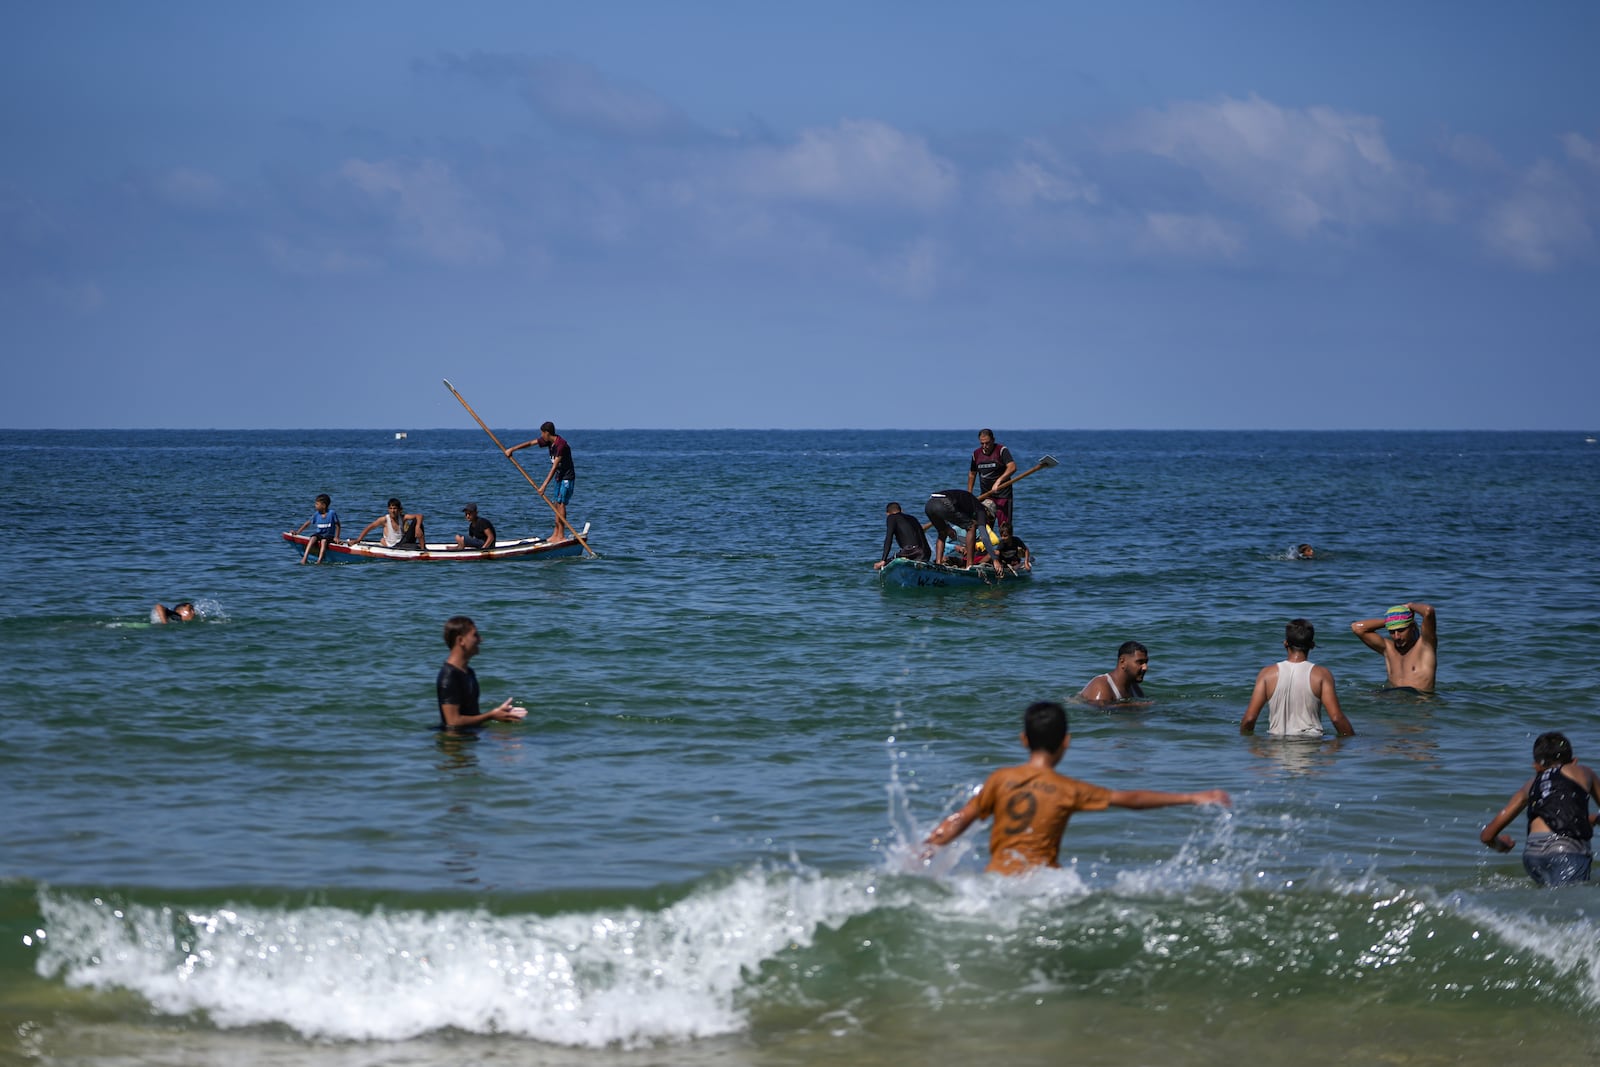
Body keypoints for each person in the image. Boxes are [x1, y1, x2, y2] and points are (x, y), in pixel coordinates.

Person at [920, 701, 1230, 875]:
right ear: (1066, 743)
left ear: (1024, 740)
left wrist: (927, 847)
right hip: (1040, 886)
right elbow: (1130, 799)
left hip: (994, 882)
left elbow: (959, 820)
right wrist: (1192, 796)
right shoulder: (1068, 789)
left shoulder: (999, 780)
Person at [1480, 731, 1600, 887]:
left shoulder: (1529, 785)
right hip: (1567, 851)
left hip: (1532, 856)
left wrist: (1502, 845)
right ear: (1574, 762)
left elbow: (1487, 836)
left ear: (1536, 766)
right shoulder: (1583, 771)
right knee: (1567, 906)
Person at [1239, 619, 1355, 737]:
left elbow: (1249, 719)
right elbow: (1336, 718)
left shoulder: (1266, 674)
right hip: (1310, 745)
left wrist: (1249, 746)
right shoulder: (1322, 674)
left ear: (1285, 643)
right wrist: (1351, 743)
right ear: (1312, 645)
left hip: (1276, 746)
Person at [436, 615, 528, 730]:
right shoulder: (449, 676)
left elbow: (472, 714)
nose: (480, 640)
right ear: (461, 640)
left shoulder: (468, 672)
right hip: (455, 744)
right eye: (475, 635)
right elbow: (453, 722)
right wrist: (491, 715)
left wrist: (501, 714)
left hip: (471, 737)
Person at [506, 421, 576, 542]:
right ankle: (555, 533)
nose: (541, 436)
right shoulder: (548, 441)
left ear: (547, 433)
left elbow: (554, 467)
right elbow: (530, 443)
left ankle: (561, 535)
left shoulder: (561, 445)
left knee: (561, 504)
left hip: (567, 477)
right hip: (559, 477)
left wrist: (544, 486)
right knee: (555, 504)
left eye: (542, 433)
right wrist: (513, 449)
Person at [1350, 602, 1437, 691]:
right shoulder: (1388, 649)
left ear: (1412, 627)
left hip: (1419, 701)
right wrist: (1391, 620)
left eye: (1401, 630)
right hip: (1392, 700)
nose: (1396, 636)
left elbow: (1428, 611)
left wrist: (1410, 605)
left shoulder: (1425, 647)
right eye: (1392, 631)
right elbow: (1357, 628)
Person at [924, 489, 989, 567]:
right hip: (943, 503)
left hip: (929, 505)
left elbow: (947, 513)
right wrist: (995, 559)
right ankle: (969, 565)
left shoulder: (968, 505)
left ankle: (938, 563)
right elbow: (984, 535)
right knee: (972, 527)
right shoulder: (981, 509)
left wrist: (947, 527)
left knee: (942, 532)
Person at [967, 429, 1018, 527]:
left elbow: (1012, 467)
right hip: (986, 496)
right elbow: (972, 474)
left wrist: (999, 481)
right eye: (982, 443)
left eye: (987, 443)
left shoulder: (1001, 450)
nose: (985, 446)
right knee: (983, 527)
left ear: (993, 440)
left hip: (1003, 496)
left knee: (1004, 528)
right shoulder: (976, 454)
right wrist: (969, 493)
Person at [1080, 641, 1149, 706]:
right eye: (1140, 662)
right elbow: (1097, 710)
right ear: (1122, 662)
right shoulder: (1101, 685)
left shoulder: (1134, 687)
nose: (1145, 667)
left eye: (1146, 662)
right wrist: (1134, 706)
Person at [874, 501, 931, 570]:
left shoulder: (891, 517)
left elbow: (889, 538)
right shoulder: (912, 518)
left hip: (911, 552)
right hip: (925, 552)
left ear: (887, 513)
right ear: (901, 511)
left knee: (881, 566)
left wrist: (883, 560)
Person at [354, 498, 426, 549]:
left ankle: (423, 549)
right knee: (415, 547)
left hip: (404, 542)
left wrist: (417, 527)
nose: (392, 511)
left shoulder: (402, 517)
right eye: (390, 508)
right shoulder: (384, 519)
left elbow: (419, 515)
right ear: (388, 509)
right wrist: (358, 540)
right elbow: (369, 527)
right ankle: (420, 549)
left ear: (398, 510)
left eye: (394, 508)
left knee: (417, 521)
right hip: (395, 547)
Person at [292, 493, 340, 564]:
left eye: (317, 504)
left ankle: (319, 560)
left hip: (328, 536)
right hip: (319, 534)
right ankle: (305, 558)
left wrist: (336, 537)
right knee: (312, 538)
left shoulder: (332, 513)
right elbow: (307, 524)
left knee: (323, 541)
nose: (315, 506)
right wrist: (298, 532)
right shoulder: (316, 514)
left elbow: (338, 525)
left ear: (323, 505)